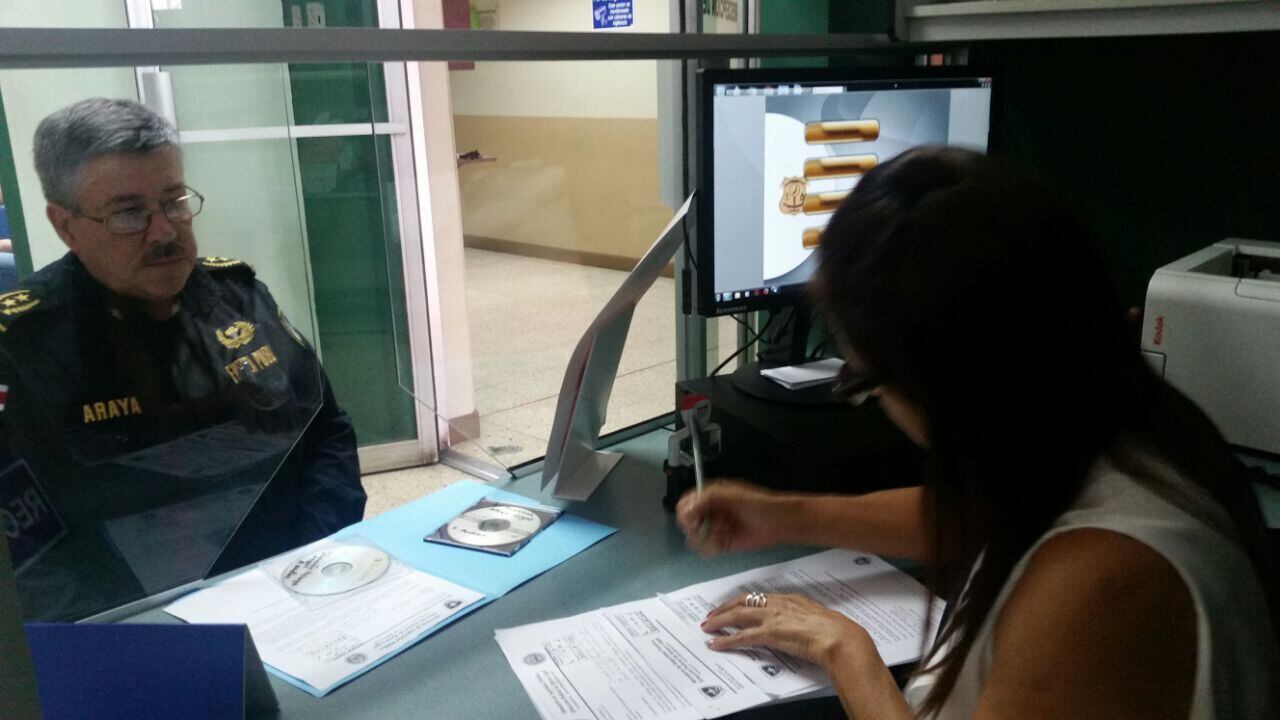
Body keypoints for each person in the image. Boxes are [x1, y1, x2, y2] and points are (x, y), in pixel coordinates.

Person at [676, 147, 1280, 719]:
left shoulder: (1100, 586)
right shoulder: (1110, 423)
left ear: (959, 388)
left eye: (865, 377)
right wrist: (783, 516)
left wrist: (842, 648)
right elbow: (974, 513)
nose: (872, 399)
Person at [0, 98, 366, 621]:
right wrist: (143, 637)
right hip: (138, 625)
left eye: (174, 201)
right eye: (129, 214)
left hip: (300, 586)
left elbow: (325, 430)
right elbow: (23, 557)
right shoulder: (21, 347)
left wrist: (313, 560)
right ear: (66, 227)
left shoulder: (238, 297)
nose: (165, 232)